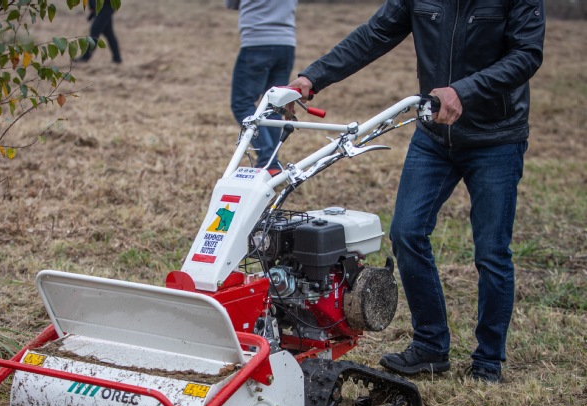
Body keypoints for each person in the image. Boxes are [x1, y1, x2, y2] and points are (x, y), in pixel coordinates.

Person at [288, 0, 545, 383]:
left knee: (492, 252)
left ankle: (489, 359)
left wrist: (464, 90)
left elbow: (527, 55)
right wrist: (312, 78)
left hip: (496, 139)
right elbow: (374, 34)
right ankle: (430, 346)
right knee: (407, 233)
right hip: (435, 136)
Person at [226, 0, 298, 171]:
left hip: (256, 42)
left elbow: (231, 4)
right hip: (286, 44)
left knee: (241, 104)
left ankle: (268, 160)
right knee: (274, 106)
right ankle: (272, 164)